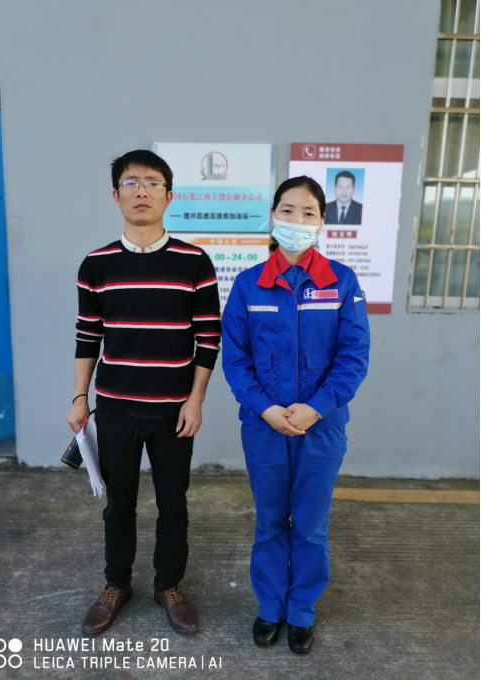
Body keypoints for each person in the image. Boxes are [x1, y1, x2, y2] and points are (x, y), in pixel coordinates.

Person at [65, 150, 221, 636]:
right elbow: (87, 336)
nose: (141, 191)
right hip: (115, 409)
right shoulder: (96, 264)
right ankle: (117, 584)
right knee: (119, 505)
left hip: (175, 411)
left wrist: (195, 400)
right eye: (131, 183)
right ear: (116, 196)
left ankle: (168, 586)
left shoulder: (195, 262)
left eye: (152, 183)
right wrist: (79, 397)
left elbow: (208, 337)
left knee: (174, 504)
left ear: (168, 196)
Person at [222, 175, 369, 655]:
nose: (296, 220)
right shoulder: (248, 285)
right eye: (287, 210)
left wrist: (316, 408)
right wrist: (265, 408)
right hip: (263, 428)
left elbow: (353, 357)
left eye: (308, 212)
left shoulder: (341, 282)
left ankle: (302, 609)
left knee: (309, 523)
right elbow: (235, 359)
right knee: (269, 520)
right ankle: (270, 607)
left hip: (321, 429)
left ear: (321, 221)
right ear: (273, 215)